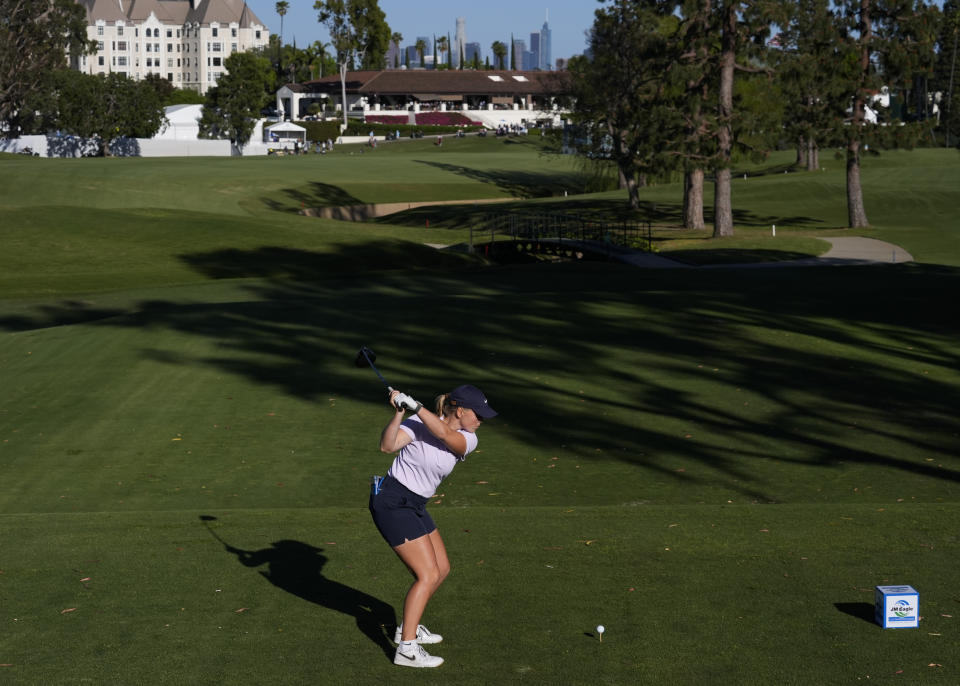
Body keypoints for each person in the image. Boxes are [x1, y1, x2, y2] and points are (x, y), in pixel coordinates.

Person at [370, 385, 497, 668]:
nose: (482, 421)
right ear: (460, 410)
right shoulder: (418, 421)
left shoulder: (467, 438)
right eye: (479, 415)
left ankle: (406, 629)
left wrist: (416, 407)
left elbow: (443, 434)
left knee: (442, 569)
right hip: (391, 500)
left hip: (414, 504)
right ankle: (406, 649)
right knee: (427, 575)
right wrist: (399, 414)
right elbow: (387, 446)